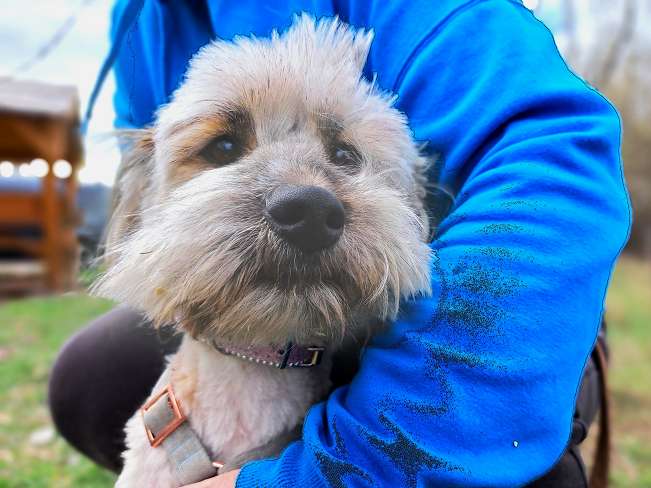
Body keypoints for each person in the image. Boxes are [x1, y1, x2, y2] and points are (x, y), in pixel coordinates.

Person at [49, 1, 630, 487]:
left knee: (492, 418)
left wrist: (357, 468)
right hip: (243, 346)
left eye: (345, 156)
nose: (306, 195)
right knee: (92, 377)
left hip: (505, 300)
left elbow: (550, 161)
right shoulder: (141, 25)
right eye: (223, 147)